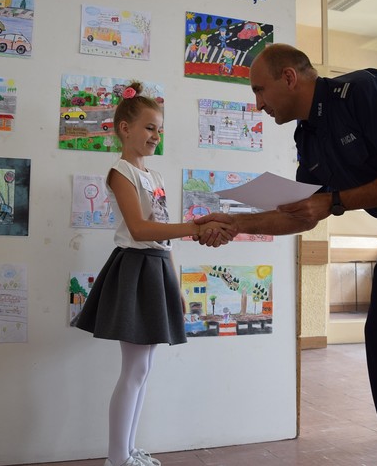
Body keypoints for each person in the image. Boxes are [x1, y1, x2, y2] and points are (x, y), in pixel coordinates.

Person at [196, 43, 377, 465]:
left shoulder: (363, 91)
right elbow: (303, 215)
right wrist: (236, 223)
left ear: (289, 77)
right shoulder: (309, 136)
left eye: (260, 90)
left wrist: (334, 200)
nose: (257, 104)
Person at [73, 82, 231, 466]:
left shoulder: (155, 176)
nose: (155, 136)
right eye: (148, 128)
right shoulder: (120, 171)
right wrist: (193, 227)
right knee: (134, 369)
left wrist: (174, 281)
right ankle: (116, 458)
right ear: (124, 128)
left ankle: (127, 452)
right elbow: (142, 230)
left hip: (157, 269)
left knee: (142, 368)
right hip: (135, 267)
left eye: (158, 129)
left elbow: (163, 237)